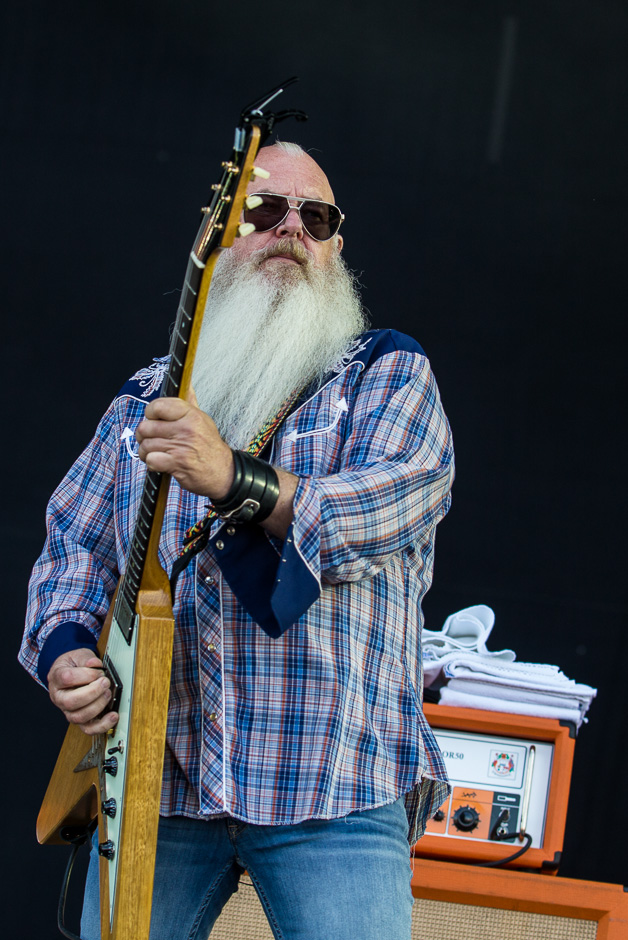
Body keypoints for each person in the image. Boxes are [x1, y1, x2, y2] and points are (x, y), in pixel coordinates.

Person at [20, 142, 454, 940]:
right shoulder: (143, 401)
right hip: (160, 782)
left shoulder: (385, 373)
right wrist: (68, 650)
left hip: (334, 784)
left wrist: (232, 478)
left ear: (336, 246)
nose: (293, 229)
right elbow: (71, 550)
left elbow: (391, 503)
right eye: (264, 212)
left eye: (315, 217)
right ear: (216, 237)